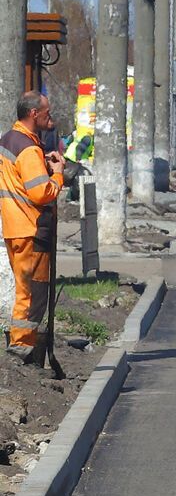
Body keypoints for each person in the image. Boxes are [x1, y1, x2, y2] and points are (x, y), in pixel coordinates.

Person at [1, 92, 65, 362]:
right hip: (32, 228)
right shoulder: (27, 148)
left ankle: (19, 344)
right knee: (33, 293)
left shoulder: (8, 140)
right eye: (46, 111)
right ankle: (22, 348)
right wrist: (58, 174)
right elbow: (40, 192)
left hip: (15, 226)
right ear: (33, 114)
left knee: (23, 289)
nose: (49, 115)